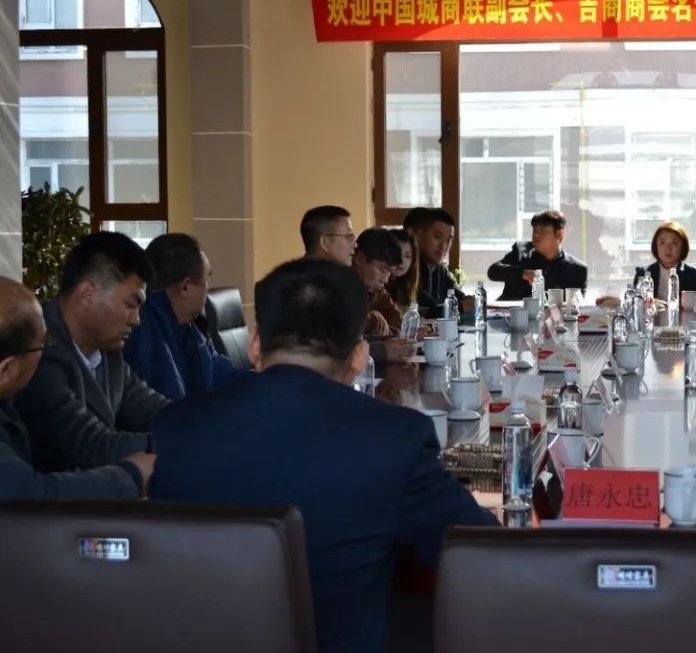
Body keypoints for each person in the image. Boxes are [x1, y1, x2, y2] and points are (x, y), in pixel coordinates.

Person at [149, 257, 497, 653]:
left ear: (255, 344)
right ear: (359, 356)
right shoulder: (395, 437)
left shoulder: (177, 427)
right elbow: (478, 550)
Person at [16, 232, 169, 471]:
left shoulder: (107, 349)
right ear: (87, 295)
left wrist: (202, 420)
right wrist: (179, 442)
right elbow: (91, 445)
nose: (136, 320)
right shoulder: (36, 352)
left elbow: (150, 408)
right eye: (131, 305)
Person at [0, 278, 155, 500]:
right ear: (7, 370)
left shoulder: (110, 355)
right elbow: (27, 496)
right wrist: (133, 476)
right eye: (43, 345)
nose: (137, 319)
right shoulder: (46, 375)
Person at [123, 233, 242, 400]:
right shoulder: (142, 331)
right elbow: (167, 404)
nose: (207, 289)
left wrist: (268, 381)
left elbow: (222, 373)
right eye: (206, 279)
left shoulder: (188, 327)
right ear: (185, 287)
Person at [487, 210, 588, 301]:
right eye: (534, 230)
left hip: (552, 315)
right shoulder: (522, 252)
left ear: (559, 234)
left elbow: (575, 308)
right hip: (510, 314)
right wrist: (523, 273)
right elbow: (493, 271)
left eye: (542, 230)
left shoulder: (577, 270)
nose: (536, 234)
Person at [415, 208, 469, 316]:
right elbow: (426, 310)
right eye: (438, 237)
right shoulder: (406, 268)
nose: (443, 246)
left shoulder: (441, 271)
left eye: (449, 240)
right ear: (419, 235)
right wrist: (461, 307)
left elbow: (459, 297)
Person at [632, 221, 696, 300]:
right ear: (656, 246)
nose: (668, 248)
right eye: (662, 243)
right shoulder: (643, 273)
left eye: (674, 243)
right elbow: (635, 302)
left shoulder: (692, 274)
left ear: (683, 247)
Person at [352, 227, 404, 337]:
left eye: (389, 272)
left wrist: (382, 329)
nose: (385, 279)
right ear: (360, 259)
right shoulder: (335, 287)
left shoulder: (378, 293)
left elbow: (398, 325)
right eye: (383, 270)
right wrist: (367, 321)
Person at [386, 228, 420, 315]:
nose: (402, 261)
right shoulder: (376, 286)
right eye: (397, 253)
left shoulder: (405, 286)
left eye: (407, 256)